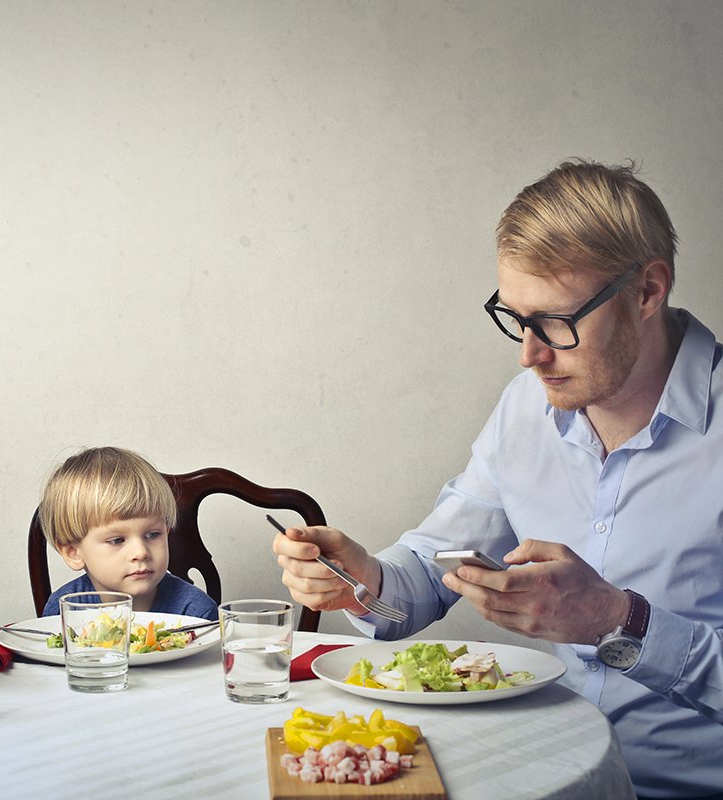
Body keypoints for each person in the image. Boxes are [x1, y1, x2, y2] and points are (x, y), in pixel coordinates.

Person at [272, 160, 723, 798]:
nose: (529, 354)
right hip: (548, 776)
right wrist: (360, 582)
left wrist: (618, 621)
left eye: (557, 323)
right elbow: (428, 574)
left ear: (648, 290)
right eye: (515, 318)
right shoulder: (526, 406)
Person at [39, 446, 217, 618]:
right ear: (74, 553)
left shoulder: (196, 612)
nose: (141, 552)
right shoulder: (63, 611)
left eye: (153, 535)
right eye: (117, 540)